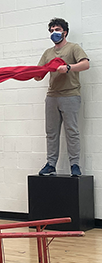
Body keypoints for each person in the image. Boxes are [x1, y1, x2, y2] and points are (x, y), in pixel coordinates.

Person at [35, 18, 90, 177]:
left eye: (57, 30)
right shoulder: (48, 53)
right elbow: (39, 72)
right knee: (51, 132)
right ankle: (51, 164)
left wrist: (68, 68)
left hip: (70, 95)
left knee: (71, 131)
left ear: (65, 32)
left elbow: (85, 64)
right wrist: (36, 75)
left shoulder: (73, 48)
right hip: (52, 96)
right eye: (51, 30)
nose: (54, 33)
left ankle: (75, 165)